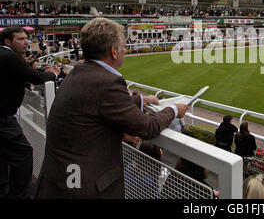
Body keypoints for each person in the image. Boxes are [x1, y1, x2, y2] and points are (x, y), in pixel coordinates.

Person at [35, 18, 189, 199]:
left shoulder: (78, 72)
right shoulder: (108, 82)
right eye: (123, 46)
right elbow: (147, 127)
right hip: (84, 186)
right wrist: (172, 109)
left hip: (59, 178)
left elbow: (94, 107)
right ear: (114, 52)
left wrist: (139, 100)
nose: (126, 50)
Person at [0, 26, 60, 199]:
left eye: (26, 38)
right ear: (7, 41)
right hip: (3, 119)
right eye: (20, 39)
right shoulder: (10, 56)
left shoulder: (6, 56)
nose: (26, 42)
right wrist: (53, 75)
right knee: (23, 153)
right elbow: (36, 78)